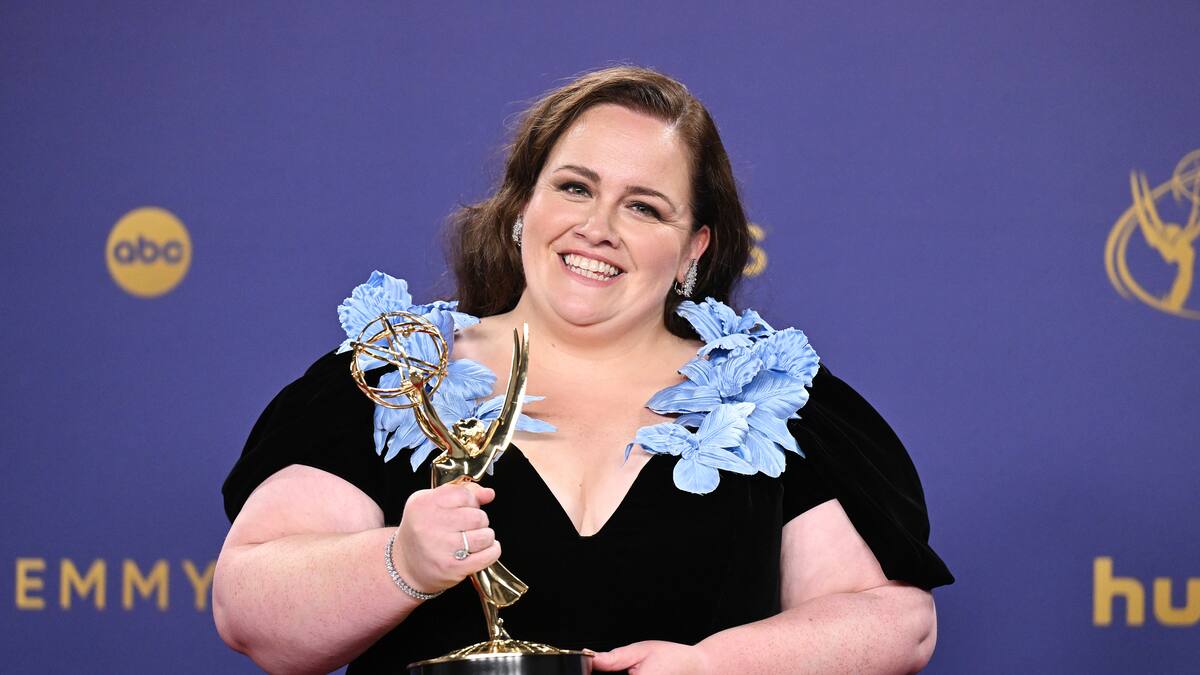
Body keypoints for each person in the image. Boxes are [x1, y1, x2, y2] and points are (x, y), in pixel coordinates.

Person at [214, 65, 953, 674]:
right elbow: (248, 610)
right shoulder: (396, 374)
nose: (597, 228)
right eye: (575, 187)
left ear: (693, 248)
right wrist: (399, 562)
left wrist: (712, 665)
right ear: (522, 206)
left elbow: (896, 622)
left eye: (644, 208)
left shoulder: (778, 398)